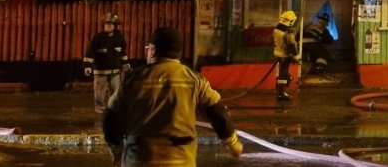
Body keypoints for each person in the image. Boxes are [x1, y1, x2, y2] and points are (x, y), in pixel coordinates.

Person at [102, 26, 242, 167]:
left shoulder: (133, 80)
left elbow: (111, 119)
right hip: (181, 161)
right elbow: (218, 113)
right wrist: (233, 143)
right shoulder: (195, 80)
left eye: (148, 48)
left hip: (139, 160)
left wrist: (117, 153)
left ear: (153, 50)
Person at [84, 12, 130, 113]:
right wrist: (87, 65)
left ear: (115, 26)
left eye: (110, 24)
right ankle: (100, 108)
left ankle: (114, 107)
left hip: (115, 71)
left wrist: (125, 63)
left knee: (116, 91)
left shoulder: (119, 38)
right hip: (101, 71)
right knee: (99, 92)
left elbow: (123, 52)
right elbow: (90, 52)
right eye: (106, 24)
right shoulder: (98, 38)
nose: (108, 26)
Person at [273, 10, 300, 101]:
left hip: (278, 53)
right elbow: (292, 45)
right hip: (285, 55)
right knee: (284, 75)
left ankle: (280, 90)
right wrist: (297, 56)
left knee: (281, 74)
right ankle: (282, 93)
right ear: (291, 21)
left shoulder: (277, 28)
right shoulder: (288, 32)